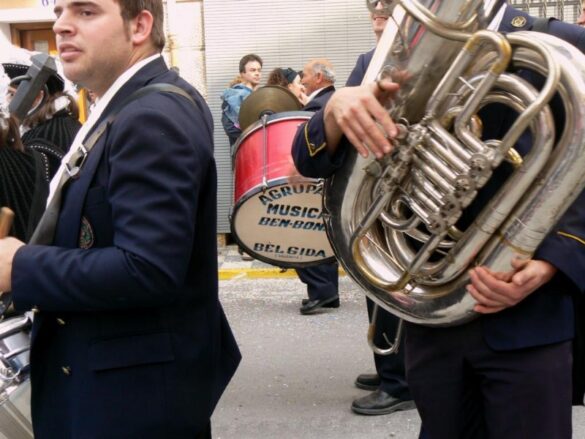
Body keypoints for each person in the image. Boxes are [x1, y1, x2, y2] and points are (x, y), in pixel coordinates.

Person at [293, 1, 585, 437]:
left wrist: (552, 262)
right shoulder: (383, 60)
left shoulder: (563, 43)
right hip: (429, 319)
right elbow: (309, 160)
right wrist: (334, 110)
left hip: (528, 319)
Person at [0, 1, 240, 438]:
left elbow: (148, 267)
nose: (62, 25)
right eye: (59, 12)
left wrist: (21, 266)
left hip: (129, 404)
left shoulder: (151, 114)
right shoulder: (126, 105)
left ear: (140, 26)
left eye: (86, 12)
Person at [293, 1, 414, 416]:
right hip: (378, 198)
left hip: (413, 200)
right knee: (376, 291)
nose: (377, 7)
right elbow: (344, 130)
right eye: (373, 3)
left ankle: (400, 382)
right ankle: (389, 369)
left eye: (388, 3)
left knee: (398, 295)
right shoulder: (367, 60)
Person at [293, 59, 340, 314]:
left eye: (306, 75)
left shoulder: (319, 105)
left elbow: (312, 146)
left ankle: (322, 291)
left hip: (317, 180)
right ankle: (328, 291)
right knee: (322, 232)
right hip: (330, 181)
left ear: (319, 77)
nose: (303, 79)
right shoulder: (329, 100)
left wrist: (296, 167)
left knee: (303, 231)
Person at [3, 60, 81, 180]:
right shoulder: (64, 121)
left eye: (12, 94)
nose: (6, 101)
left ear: (38, 96)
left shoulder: (42, 138)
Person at [221, 53, 263, 147]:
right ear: (242, 73)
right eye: (252, 70)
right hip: (243, 149)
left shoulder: (259, 95)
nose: (257, 73)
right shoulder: (234, 96)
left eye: (259, 70)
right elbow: (230, 128)